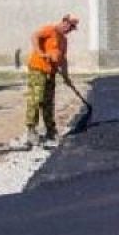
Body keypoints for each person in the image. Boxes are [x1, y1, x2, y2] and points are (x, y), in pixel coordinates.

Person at [14, 14, 79, 150]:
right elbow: (34, 36)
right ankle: (31, 130)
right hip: (38, 69)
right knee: (36, 99)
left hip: (51, 72)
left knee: (48, 101)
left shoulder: (64, 40)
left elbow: (63, 59)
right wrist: (40, 53)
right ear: (64, 22)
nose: (71, 30)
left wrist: (66, 77)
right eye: (71, 27)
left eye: (73, 28)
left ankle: (51, 131)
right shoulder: (50, 30)